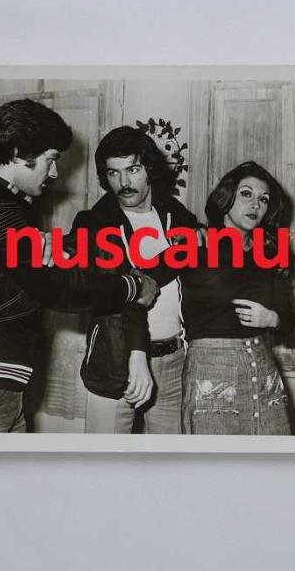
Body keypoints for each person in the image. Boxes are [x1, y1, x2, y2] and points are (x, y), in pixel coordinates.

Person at [0, 100, 157, 433]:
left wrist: (50, 250)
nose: (55, 173)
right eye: (51, 159)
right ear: (19, 153)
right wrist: (133, 286)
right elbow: (59, 289)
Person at [70, 126, 199, 433]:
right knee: (106, 458)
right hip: (116, 359)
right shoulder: (93, 224)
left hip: (173, 359)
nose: (124, 183)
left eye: (133, 170)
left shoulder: (177, 216)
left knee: (170, 458)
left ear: (150, 170)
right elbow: (119, 289)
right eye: (113, 173)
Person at [176, 162, 295, 435]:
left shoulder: (269, 252)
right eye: (246, 194)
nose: (255, 205)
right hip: (212, 369)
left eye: (263, 199)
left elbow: (289, 324)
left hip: (262, 366)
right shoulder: (197, 243)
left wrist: (272, 319)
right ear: (226, 198)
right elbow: (143, 282)